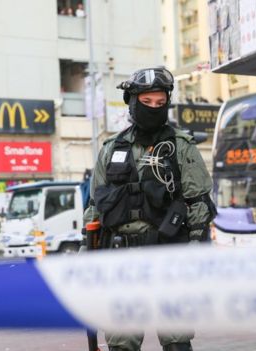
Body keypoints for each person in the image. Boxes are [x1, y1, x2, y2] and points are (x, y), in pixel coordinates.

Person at [84, 67, 217, 351]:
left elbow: (199, 207)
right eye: (147, 103)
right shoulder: (111, 149)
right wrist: (88, 257)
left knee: (176, 339)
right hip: (121, 262)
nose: (154, 109)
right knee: (122, 341)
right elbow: (94, 209)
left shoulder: (181, 147)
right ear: (132, 102)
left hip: (170, 258)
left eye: (160, 103)